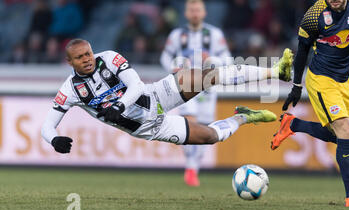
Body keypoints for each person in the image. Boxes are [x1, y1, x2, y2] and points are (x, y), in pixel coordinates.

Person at [41, 39, 294, 156]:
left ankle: (276, 71)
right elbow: (47, 125)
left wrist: (119, 105)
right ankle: (243, 118)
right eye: (80, 57)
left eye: (88, 53)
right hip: (151, 127)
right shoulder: (70, 90)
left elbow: (137, 86)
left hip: (157, 95)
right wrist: (54, 140)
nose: (86, 59)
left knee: (209, 76)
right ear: (69, 62)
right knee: (211, 137)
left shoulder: (108, 58)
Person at [271, 0, 349, 208]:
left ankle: (293, 124)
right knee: (346, 133)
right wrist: (297, 85)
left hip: (343, 81)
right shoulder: (313, 15)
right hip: (319, 80)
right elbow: (302, 52)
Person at [160, 0, 232, 187]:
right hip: (185, 86)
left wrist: (214, 62)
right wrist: (173, 69)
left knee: (205, 131)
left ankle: (193, 168)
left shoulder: (214, 34)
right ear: (186, 13)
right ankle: (190, 169)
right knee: (190, 124)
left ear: (204, 12)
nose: (194, 13)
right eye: (191, 10)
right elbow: (165, 57)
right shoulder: (177, 35)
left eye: (197, 10)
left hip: (208, 88)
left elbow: (228, 59)